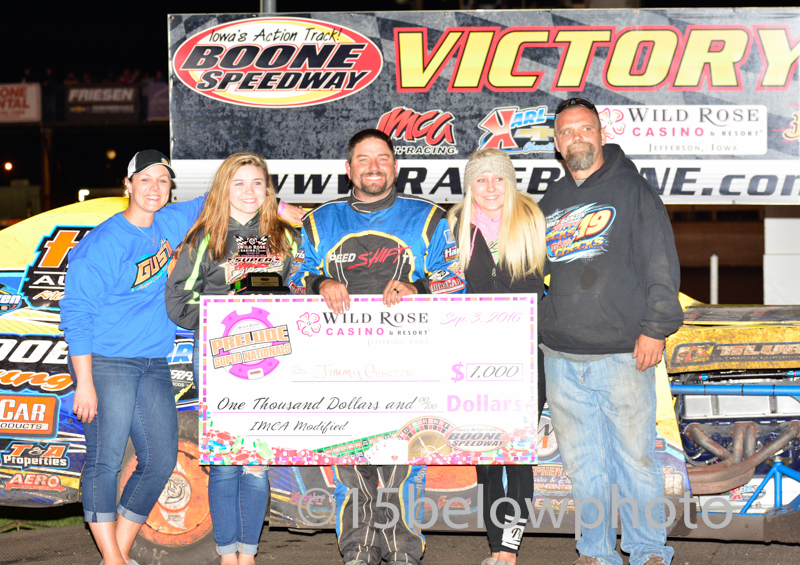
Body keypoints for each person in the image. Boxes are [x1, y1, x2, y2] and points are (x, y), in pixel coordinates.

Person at [289, 129, 466, 565]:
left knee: (402, 460)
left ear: (395, 166)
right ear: (348, 169)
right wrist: (320, 282)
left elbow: (456, 280)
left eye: (382, 158)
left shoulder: (428, 218)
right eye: (363, 159)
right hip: (336, 366)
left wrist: (418, 287)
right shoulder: (319, 221)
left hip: (413, 363)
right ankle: (359, 552)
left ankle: (403, 552)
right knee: (351, 465)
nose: (373, 166)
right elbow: (293, 278)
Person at [538, 98, 683, 565]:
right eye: (565, 131)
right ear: (557, 144)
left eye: (584, 129)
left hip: (623, 354)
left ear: (600, 134)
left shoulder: (634, 191)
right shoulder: (552, 201)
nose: (575, 137)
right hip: (561, 357)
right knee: (583, 467)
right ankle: (595, 553)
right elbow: (529, 270)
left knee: (635, 461)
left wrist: (656, 329)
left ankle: (646, 552)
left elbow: (661, 264)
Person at [60, 150, 205, 565]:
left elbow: (223, 191)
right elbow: (77, 314)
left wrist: (285, 206)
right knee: (105, 461)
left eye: (163, 180)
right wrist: (84, 382)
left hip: (151, 362)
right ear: (128, 185)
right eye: (145, 179)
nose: (155, 187)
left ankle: (115, 556)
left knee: (160, 460)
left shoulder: (170, 221)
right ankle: (114, 557)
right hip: (106, 364)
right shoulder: (103, 243)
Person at [164, 152, 297, 565]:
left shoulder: (286, 237)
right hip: (220, 359)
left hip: (272, 360)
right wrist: (223, 310)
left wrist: (283, 304)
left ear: (268, 190)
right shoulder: (205, 236)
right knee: (225, 463)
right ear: (223, 188)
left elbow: (305, 294)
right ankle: (227, 556)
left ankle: (250, 555)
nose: (249, 192)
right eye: (239, 183)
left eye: (257, 183)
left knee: (256, 463)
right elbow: (177, 301)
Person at [447, 148, 547, 565]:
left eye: (498, 178)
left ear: (511, 182)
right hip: (473, 361)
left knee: (517, 458)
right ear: (470, 186)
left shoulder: (534, 222)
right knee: (487, 460)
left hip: (525, 359)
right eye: (481, 180)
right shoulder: (453, 227)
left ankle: (510, 548)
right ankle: (494, 546)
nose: (490, 187)